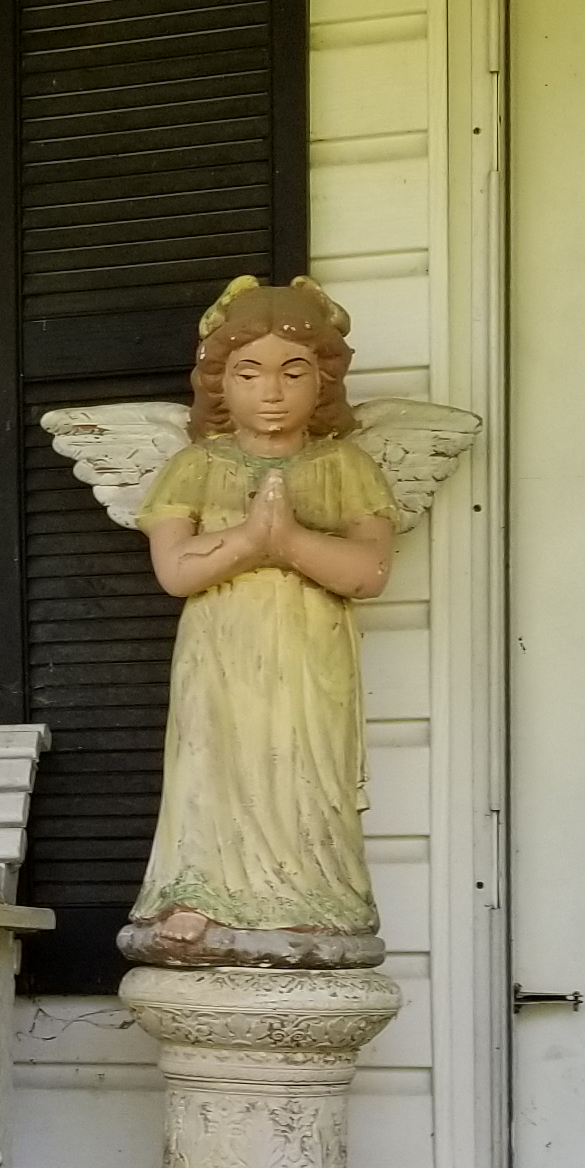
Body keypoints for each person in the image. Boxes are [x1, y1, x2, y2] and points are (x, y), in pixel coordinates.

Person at [130, 276, 395, 955]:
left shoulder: (345, 466)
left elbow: (369, 571)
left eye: (292, 372)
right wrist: (252, 539)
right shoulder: (195, 466)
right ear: (220, 381)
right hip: (221, 649)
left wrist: (290, 539)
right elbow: (176, 570)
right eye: (249, 373)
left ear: (323, 381)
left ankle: (311, 894)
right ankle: (200, 892)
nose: (271, 391)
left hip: (310, 651)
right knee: (214, 761)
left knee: (305, 761)